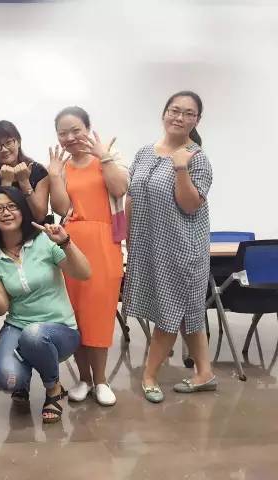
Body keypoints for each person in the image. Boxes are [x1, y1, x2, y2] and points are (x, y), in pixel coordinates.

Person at [123, 90, 216, 403]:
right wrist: (128, 239)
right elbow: (131, 196)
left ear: (197, 121)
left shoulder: (197, 158)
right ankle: (205, 373)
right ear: (164, 113)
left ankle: (149, 375)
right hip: (149, 247)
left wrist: (180, 168)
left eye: (189, 113)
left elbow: (189, 205)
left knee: (169, 311)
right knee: (189, 311)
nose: (180, 117)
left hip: (182, 251)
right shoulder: (144, 153)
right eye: (175, 110)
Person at [0, 186, 91, 424]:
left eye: (12, 207)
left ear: (23, 211)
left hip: (60, 329)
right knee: (8, 379)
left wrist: (66, 242)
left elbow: (84, 273)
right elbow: (0, 309)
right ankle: (22, 380)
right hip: (18, 326)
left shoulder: (44, 242)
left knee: (34, 335)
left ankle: (53, 388)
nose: (6, 213)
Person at [48, 106, 128, 406]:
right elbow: (60, 208)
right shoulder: (62, 167)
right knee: (75, 314)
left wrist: (104, 157)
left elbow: (120, 188)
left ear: (88, 128)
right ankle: (83, 378)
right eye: (63, 133)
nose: (69, 137)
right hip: (71, 244)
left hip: (104, 243)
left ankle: (102, 380)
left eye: (75, 130)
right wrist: (54, 176)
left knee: (99, 313)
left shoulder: (107, 156)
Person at [0, 120, 49, 222]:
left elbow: (40, 216)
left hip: (35, 231)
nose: (4, 149)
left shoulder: (38, 171)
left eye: (8, 142)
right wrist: (6, 183)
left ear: (18, 142)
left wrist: (24, 182)